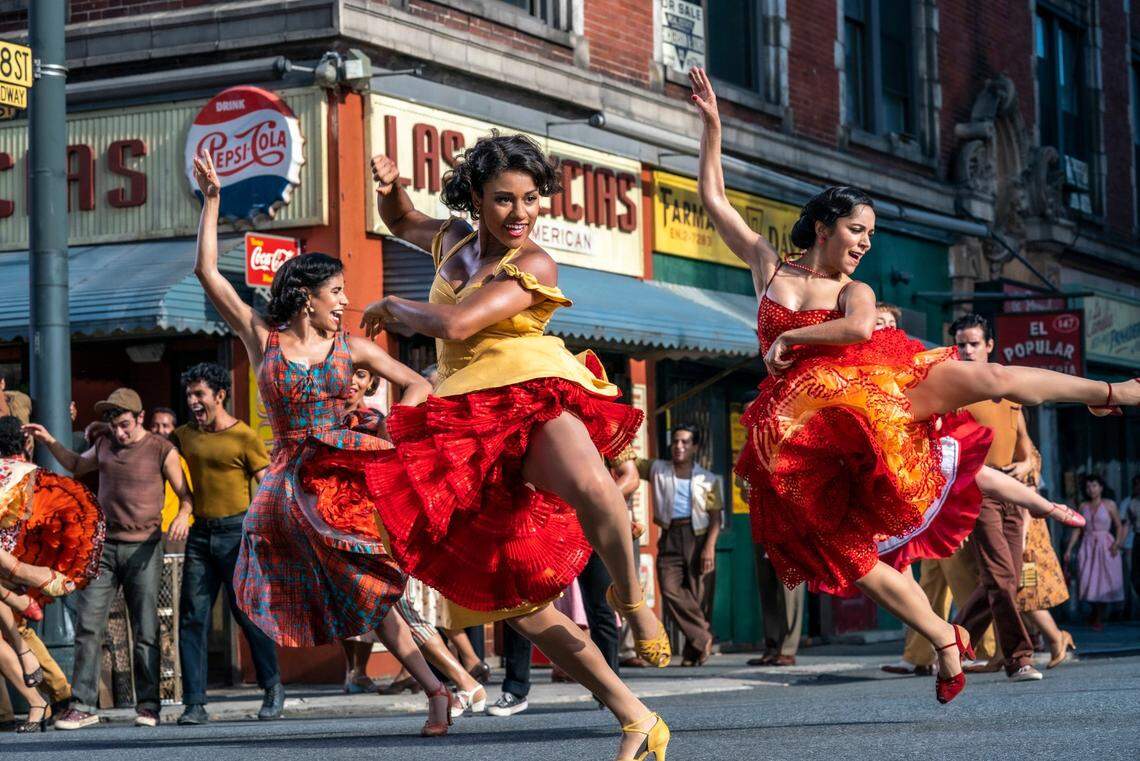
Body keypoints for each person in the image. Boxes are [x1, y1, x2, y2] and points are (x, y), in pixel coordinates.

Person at [689, 67, 1129, 705]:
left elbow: (858, 328)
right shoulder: (768, 264)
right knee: (851, 561)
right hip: (798, 437)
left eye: (870, 234)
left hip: (867, 400)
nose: (866, 243)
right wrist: (713, 127)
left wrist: (793, 340)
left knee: (990, 378)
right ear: (823, 227)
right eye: (857, 230)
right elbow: (716, 200)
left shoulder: (854, 290)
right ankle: (945, 639)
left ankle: (1116, 394)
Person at [312, 134, 671, 760]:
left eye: (531, 199)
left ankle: (633, 602)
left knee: (591, 485)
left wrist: (395, 305)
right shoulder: (452, 239)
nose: (521, 212)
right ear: (476, 197)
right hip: (464, 419)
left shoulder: (534, 264)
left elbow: (455, 323)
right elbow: (399, 220)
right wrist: (393, 184)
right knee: (520, 604)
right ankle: (637, 717)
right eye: (505, 199)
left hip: (527, 389)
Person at [190, 150, 457, 737]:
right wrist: (212, 202)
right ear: (307, 296)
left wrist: (387, 433)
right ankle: (436, 687)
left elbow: (414, 384)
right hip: (287, 489)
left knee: (370, 591)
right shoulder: (263, 339)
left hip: (348, 483)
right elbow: (209, 274)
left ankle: (438, 690)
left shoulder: (353, 348)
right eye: (336, 291)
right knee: (333, 594)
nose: (344, 301)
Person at [25, 388, 190, 728]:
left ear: (140, 418)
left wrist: (181, 516)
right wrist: (50, 441)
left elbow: (186, 495)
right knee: (88, 625)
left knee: (145, 630)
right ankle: (83, 705)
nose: (120, 432)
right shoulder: (104, 444)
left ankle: (148, 706)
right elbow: (74, 464)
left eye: (126, 425)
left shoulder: (162, 449)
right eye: (114, 426)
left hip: (145, 548)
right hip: (105, 550)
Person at [170, 362, 284, 725]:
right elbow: (156, 451)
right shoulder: (184, 436)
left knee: (247, 615)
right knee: (192, 618)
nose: (192, 401)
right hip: (200, 534)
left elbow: (266, 483)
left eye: (199, 394)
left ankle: (272, 686)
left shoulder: (244, 437)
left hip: (237, 534)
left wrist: (269, 529)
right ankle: (194, 703)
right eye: (189, 394)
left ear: (219, 395)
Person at [0, 415, 102, 732]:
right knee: (15, 627)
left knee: (16, 629)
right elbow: (69, 512)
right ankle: (48, 698)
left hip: (11, 564)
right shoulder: (36, 477)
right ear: (26, 443)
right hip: (22, 558)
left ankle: (51, 698)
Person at [640, 425, 722, 667]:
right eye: (676, 441)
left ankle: (692, 652)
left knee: (698, 595)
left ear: (695, 447)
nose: (679, 447)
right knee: (669, 588)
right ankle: (703, 636)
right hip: (670, 535)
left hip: (698, 536)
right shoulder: (658, 469)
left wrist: (709, 548)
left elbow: (716, 517)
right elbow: (630, 462)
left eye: (686, 442)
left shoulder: (707, 479)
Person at [1065, 475, 1125, 630]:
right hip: (1088, 545)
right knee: (1087, 580)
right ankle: (1094, 614)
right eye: (1088, 486)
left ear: (1101, 487)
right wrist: (1069, 549)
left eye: (1094, 486)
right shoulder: (1083, 506)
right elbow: (1078, 529)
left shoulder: (1110, 505)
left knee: (1104, 580)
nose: (1091, 489)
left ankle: (1097, 617)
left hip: (1105, 545)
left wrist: (1117, 543)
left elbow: (1119, 525)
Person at [1119, 475, 1140, 606]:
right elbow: (1126, 524)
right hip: (1138, 538)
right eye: (1136, 485)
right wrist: (1119, 542)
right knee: (1135, 575)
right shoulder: (1131, 503)